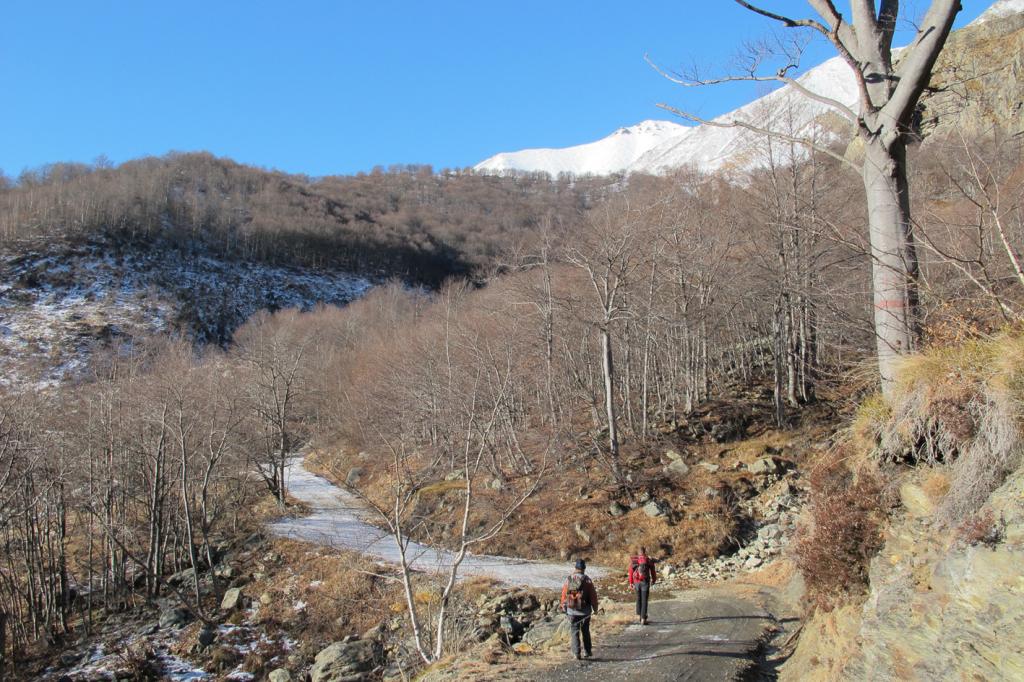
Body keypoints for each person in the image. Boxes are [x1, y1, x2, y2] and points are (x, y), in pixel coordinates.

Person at [560, 558, 599, 661]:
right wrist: (595, 609)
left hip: (572, 610)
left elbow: (564, 594)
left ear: (575, 568)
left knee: (574, 631)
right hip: (585, 611)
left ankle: (576, 653)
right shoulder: (587, 580)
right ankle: (587, 651)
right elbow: (593, 597)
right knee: (585, 631)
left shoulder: (569, 579)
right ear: (584, 568)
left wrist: (563, 606)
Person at [628, 546, 657, 624]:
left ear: (638, 553)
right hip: (645, 582)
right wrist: (654, 580)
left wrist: (631, 582)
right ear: (645, 552)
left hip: (636, 582)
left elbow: (630, 572)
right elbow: (653, 571)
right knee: (644, 600)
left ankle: (639, 615)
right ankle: (643, 618)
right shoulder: (648, 560)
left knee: (638, 598)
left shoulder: (634, 560)